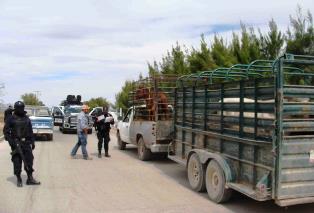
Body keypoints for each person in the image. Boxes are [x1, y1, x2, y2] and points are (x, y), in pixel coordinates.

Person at [3, 101, 41, 187]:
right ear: (15, 109)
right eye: (19, 108)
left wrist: (33, 141)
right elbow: (6, 132)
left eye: (22, 108)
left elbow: (30, 131)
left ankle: (30, 178)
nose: (21, 109)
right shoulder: (11, 119)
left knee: (29, 160)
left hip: (26, 143)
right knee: (17, 161)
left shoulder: (26, 118)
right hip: (16, 143)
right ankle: (19, 178)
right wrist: (11, 142)